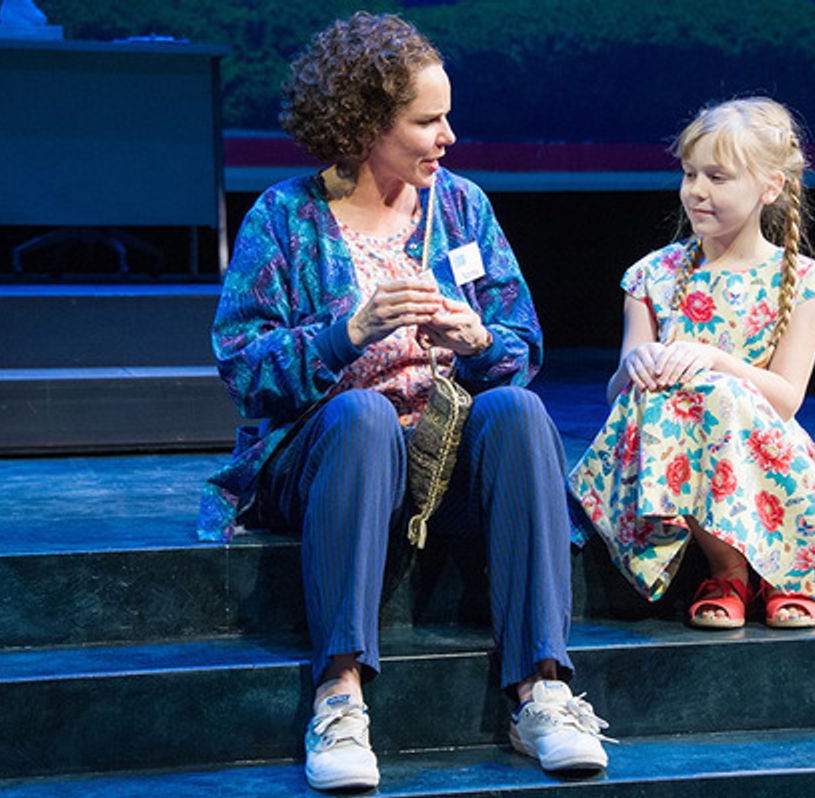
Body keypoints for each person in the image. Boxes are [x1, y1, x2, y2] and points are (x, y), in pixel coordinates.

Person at [196, 12, 610, 791]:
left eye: (446, 115)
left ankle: (542, 692)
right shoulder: (286, 219)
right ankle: (340, 696)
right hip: (331, 459)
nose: (447, 135)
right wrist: (342, 335)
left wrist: (479, 341)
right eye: (427, 120)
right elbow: (242, 369)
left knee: (518, 412)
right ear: (364, 125)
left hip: (444, 455)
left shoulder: (462, 208)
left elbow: (524, 340)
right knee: (362, 415)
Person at [569, 98, 815, 631]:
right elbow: (618, 389)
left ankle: (781, 569)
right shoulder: (651, 277)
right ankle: (729, 569)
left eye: (718, 177)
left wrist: (715, 359)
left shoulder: (805, 282)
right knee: (669, 394)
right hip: (673, 450)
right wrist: (640, 363)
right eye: (691, 174)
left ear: (769, 188)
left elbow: (785, 398)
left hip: (759, 443)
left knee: (717, 389)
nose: (696, 190)